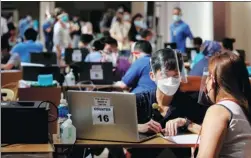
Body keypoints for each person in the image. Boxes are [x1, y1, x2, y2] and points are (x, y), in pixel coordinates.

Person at [166, 52, 251, 157]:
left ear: (213, 80)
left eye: (207, 77)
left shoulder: (218, 110)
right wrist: (187, 123)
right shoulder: (240, 108)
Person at [128, 48, 208, 157]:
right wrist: (138, 127)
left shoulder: (188, 102)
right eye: (165, 75)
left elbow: (208, 132)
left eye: (175, 76)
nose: (170, 81)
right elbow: (115, 128)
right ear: (152, 76)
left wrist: (185, 122)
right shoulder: (139, 101)